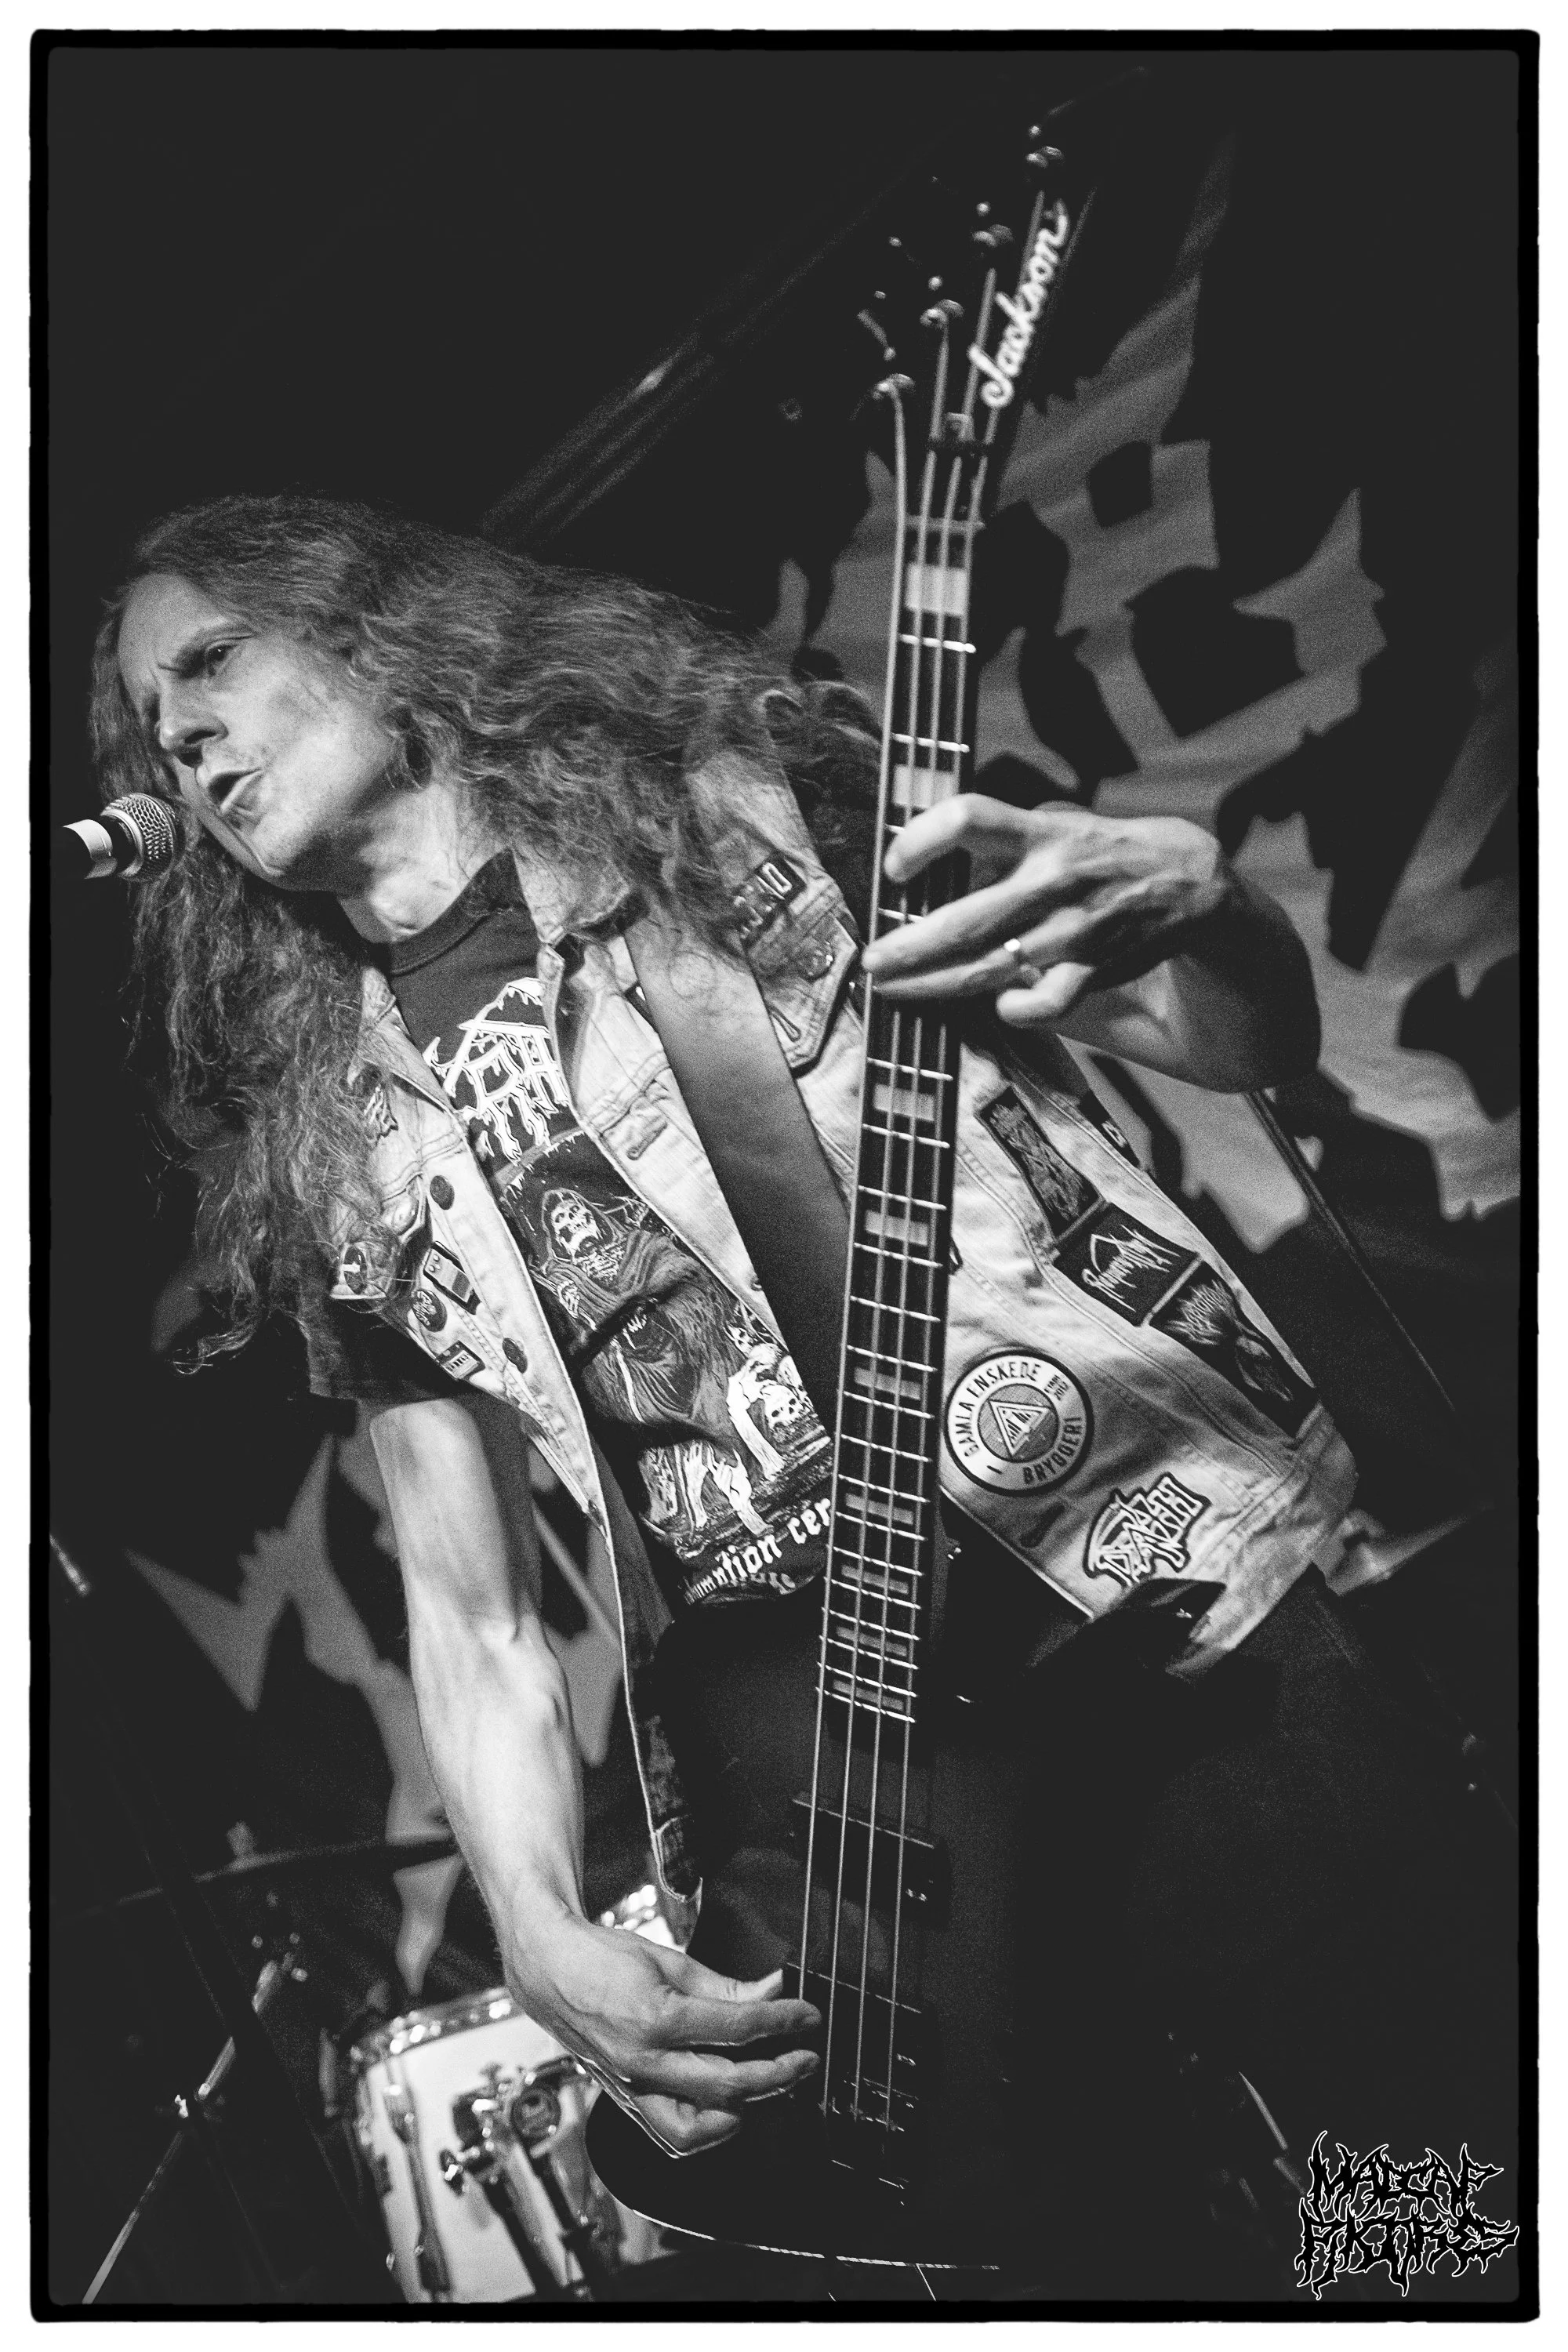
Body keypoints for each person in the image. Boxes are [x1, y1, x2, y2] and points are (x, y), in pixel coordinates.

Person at [96, 497, 1503, 2257]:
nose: (183, 734)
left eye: (213, 661)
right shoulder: (339, 1143)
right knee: (1125, 2261)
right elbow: (473, 1616)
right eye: (151, 720)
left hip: (1169, 1629)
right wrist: (536, 1930)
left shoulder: (732, 820)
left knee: (1428, 2217)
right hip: (870, 1809)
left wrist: (1208, 904)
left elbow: (1234, 1041)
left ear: (374, 630)